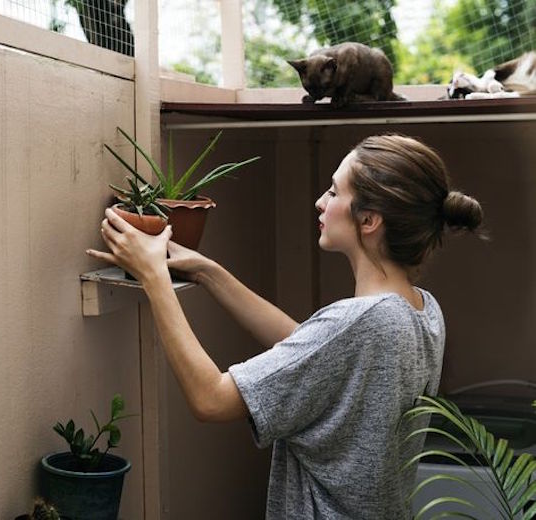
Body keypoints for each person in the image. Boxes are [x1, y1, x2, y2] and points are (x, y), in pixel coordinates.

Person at [86, 134, 485, 519]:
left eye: (333, 192)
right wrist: (209, 273)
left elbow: (211, 398)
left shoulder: (359, 322)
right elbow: (313, 352)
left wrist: (154, 278)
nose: (319, 202)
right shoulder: (422, 311)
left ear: (368, 219)